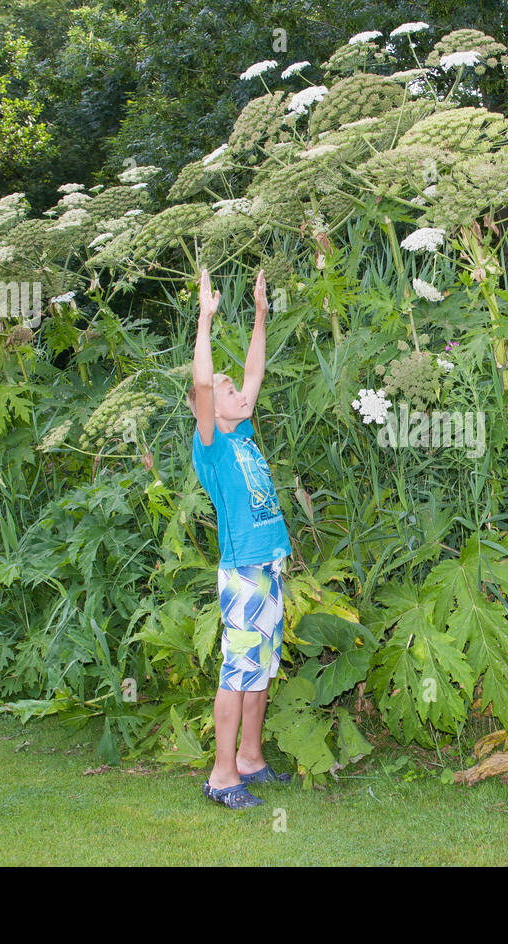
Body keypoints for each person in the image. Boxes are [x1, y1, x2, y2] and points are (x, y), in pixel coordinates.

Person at [187, 266, 294, 809]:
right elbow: (205, 384)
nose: (238, 391)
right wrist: (204, 319)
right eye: (229, 391)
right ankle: (222, 775)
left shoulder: (244, 430)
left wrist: (259, 316)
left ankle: (250, 757)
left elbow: (254, 370)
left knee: (260, 671)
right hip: (244, 573)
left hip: (269, 566)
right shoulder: (212, 444)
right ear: (210, 409)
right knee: (237, 674)